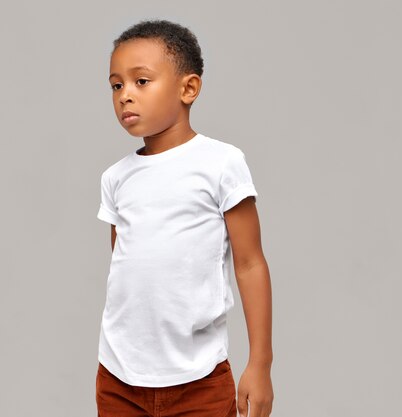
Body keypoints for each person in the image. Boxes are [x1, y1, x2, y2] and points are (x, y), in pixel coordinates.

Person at [96, 19, 273, 417]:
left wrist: (260, 365)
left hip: (198, 382)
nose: (125, 96)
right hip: (119, 380)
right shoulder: (115, 179)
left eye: (141, 81)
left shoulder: (221, 163)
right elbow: (124, 271)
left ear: (188, 88)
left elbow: (249, 264)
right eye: (116, 85)